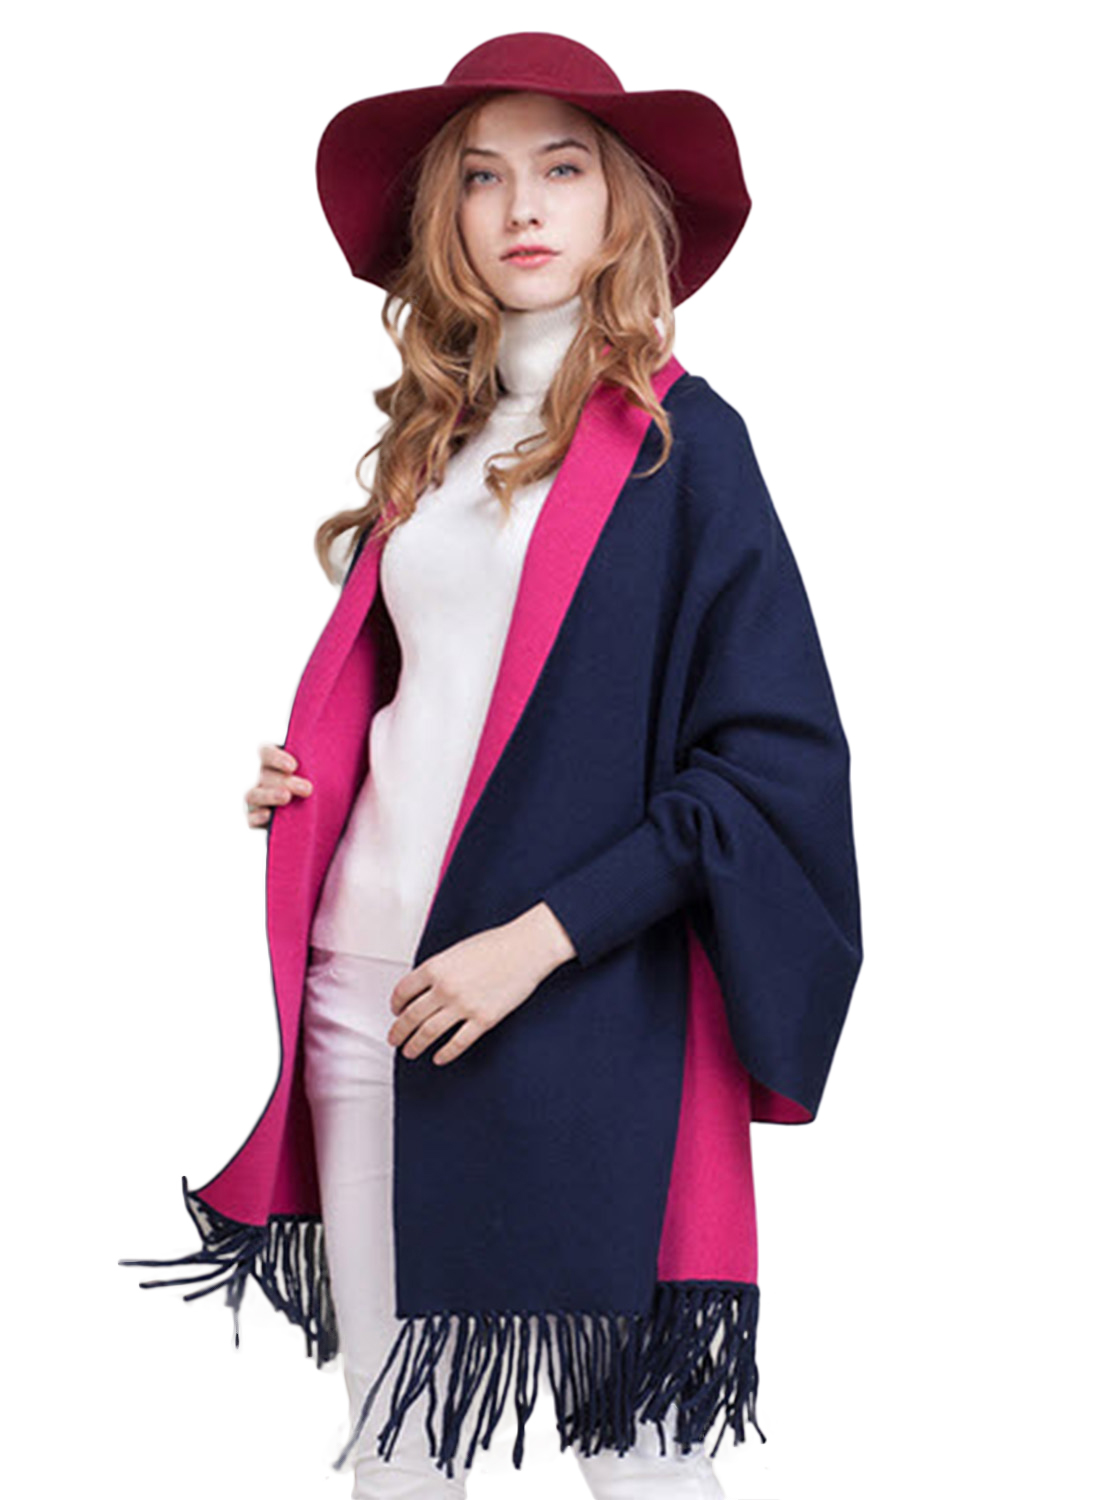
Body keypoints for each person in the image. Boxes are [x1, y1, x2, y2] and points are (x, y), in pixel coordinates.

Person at [121, 31, 863, 1500]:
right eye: (480, 176)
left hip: (565, 1001)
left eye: (561, 168)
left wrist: (532, 943)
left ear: (618, 205)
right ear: (445, 217)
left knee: (642, 1463)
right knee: (394, 1455)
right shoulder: (437, 445)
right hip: (362, 988)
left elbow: (759, 769)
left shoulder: (682, 446)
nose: (521, 205)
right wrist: (317, 781)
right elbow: (451, 700)